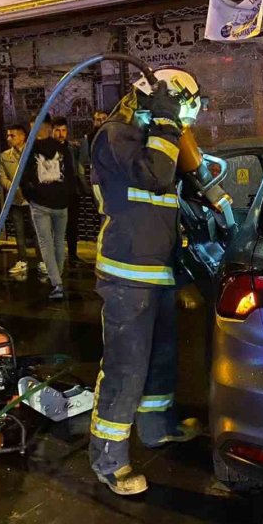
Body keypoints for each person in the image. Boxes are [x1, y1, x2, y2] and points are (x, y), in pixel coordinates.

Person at [88, 71, 204, 496]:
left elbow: (175, 188)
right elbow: (155, 177)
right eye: (180, 105)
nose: (184, 116)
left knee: (159, 359)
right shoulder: (115, 135)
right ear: (157, 102)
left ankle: (156, 428)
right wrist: (168, 125)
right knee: (126, 366)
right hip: (127, 273)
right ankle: (108, 459)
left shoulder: (161, 140)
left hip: (158, 271)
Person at [21, 115, 72, 300]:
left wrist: (32, 197)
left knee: (46, 243)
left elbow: (24, 177)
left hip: (40, 204)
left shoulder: (30, 149)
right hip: (60, 203)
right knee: (58, 241)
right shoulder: (62, 148)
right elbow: (70, 175)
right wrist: (66, 196)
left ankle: (56, 282)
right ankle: (57, 279)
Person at [0, 124, 33, 276]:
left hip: (32, 198)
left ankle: (42, 261)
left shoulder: (32, 153)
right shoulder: (5, 156)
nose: (9, 139)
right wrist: (14, 189)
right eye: (8, 135)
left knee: (38, 231)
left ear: (22, 136)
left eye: (12, 135)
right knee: (18, 231)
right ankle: (22, 259)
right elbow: (2, 177)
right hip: (15, 199)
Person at [52, 116, 85, 267]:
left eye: (63, 130)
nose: (61, 134)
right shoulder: (49, 148)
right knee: (56, 226)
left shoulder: (72, 148)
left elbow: (79, 167)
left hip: (71, 191)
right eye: (57, 130)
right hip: (56, 192)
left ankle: (73, 254)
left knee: (72, 225)